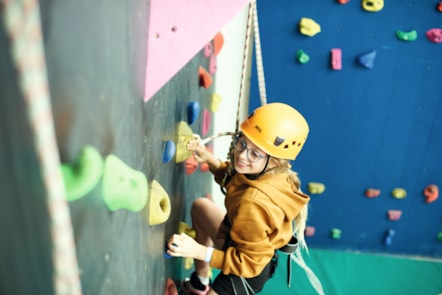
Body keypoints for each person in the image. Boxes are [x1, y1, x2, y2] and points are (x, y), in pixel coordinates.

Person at [167, 102, 311, 295]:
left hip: (246, 271)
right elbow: (236, 180)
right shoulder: (271, 172)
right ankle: (200, 283)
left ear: (274, 161)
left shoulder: (254, 203)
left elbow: (247, 264)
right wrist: (209, 159)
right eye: (242, 143)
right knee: (201, 208)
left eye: (254, 153)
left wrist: (198, 251)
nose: (242, 155)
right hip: (238, 240)